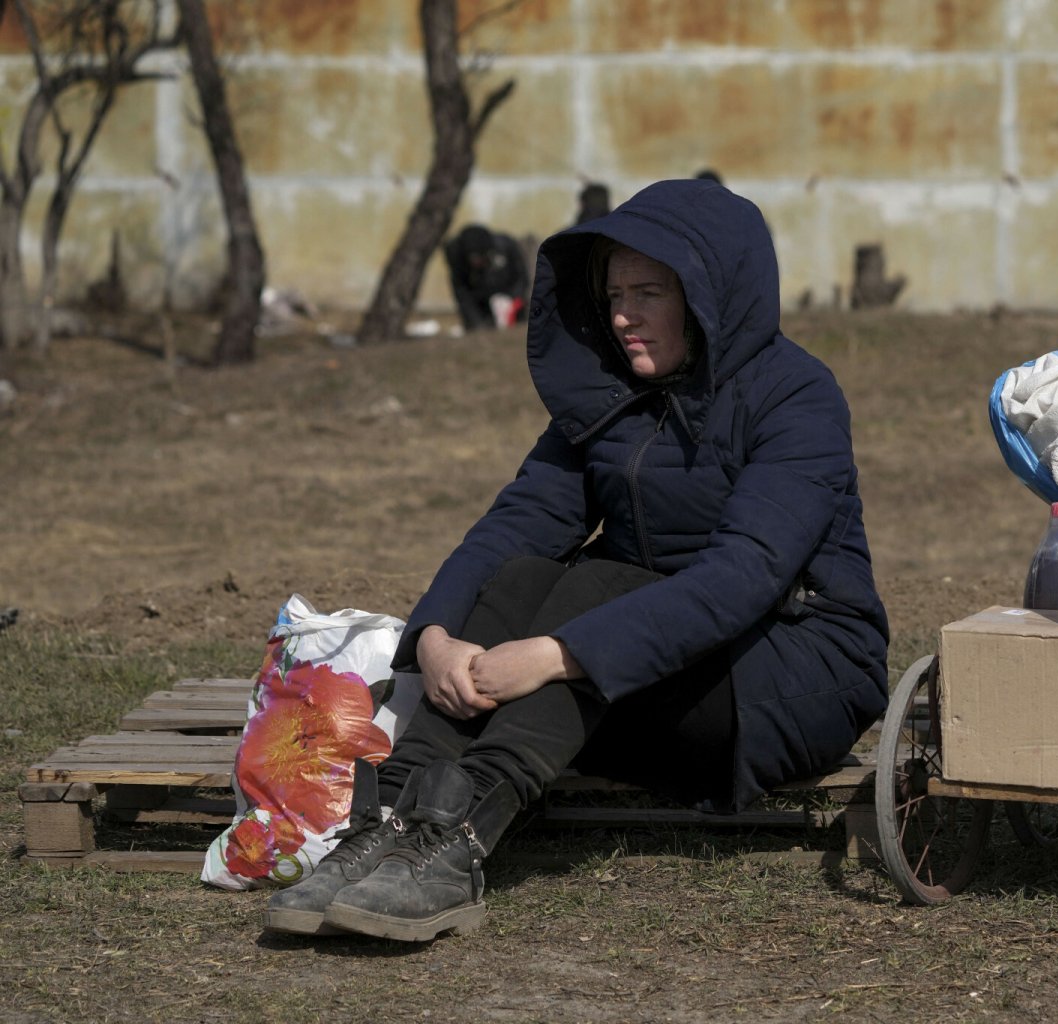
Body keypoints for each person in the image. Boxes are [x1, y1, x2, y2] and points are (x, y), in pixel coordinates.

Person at [265, 178, 889, 942]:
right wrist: (435, 636)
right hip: (642, 671)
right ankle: (391, 821)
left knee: (593, 581)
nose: (622, 315)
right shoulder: (612, 397)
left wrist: (558, 656)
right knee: (523, 576)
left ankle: (457, 842)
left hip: (790, 672)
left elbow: (744, 576)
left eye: (650, 292)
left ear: (707, 294)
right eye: (614, 291)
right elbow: (517, 523)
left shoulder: (797, 397)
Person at [443, 224, 529, 332]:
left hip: (509, 299)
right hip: (480, 301)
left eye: (479, 258)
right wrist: (476, 323)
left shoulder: (506, 246)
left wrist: (514, 301)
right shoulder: (455, 252)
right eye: (472, 258)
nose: (476, 262)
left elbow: (521, 277)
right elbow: (461, 291)